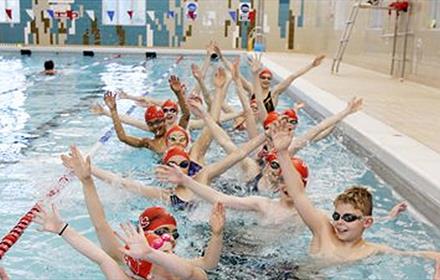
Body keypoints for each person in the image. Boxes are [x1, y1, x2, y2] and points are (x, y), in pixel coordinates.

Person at [267, 119, 440, 268]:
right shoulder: (323, 230)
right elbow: (298, 195)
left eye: (348, 218)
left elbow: (415, 255)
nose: (340, 222)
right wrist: (282, 152)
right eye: (336, 216)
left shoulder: (371, 251)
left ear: (367, 222)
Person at [60, 145, 225, 279]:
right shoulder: (125, 261)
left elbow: (205, 265)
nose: (170, 239)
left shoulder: (182, 265)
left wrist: (217, 235)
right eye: (162, 232)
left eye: (174, 234)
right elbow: (100, 225)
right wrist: (87, 181)